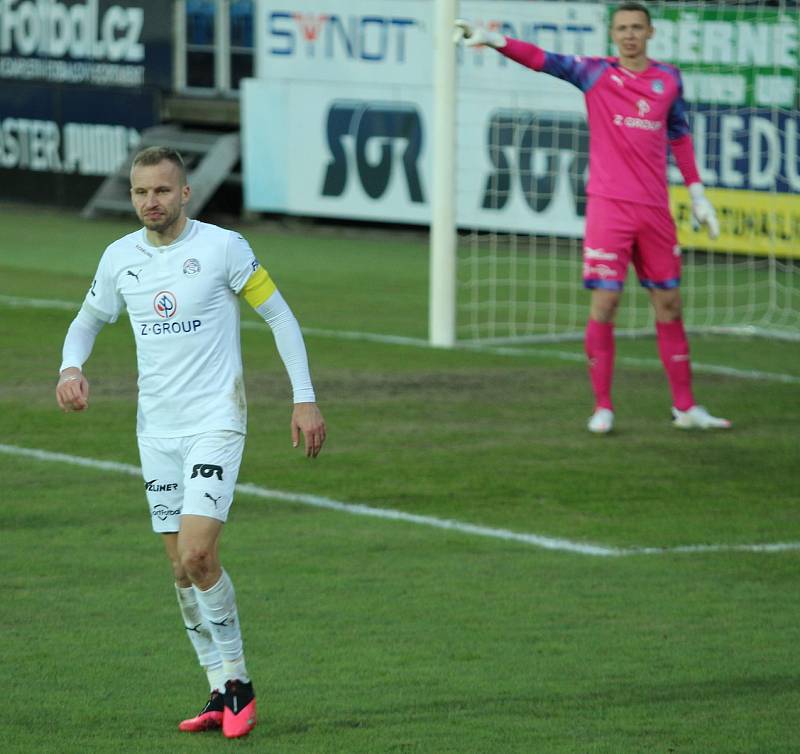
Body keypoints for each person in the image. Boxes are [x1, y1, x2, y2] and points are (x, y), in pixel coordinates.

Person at [55, 146, 326, 738]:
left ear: (185, 194)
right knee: (180, 570)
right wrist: (70, 367)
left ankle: (241, 687)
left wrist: (303, 398)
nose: (149, 202)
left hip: (215, 421)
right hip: (156, 431)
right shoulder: (119, 258)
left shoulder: (222, 248)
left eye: (160, 191)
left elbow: (280, 317)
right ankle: (215, 688)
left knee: (200, 555)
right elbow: (87, 320)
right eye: (138, 192)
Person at [455, 2, 731, 433]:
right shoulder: (595, 72)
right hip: (609, 209)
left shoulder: (669, 78)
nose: (629, 35)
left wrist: (698, 195)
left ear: (650, 32)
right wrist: (494, 40)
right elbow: (542, 60)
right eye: (621, 28)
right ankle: (602, 406)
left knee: (670, 304)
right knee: (605, 304)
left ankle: (686, 407)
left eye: (637, 27)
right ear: (612, 34)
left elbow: (679, 133)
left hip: (655, 211)